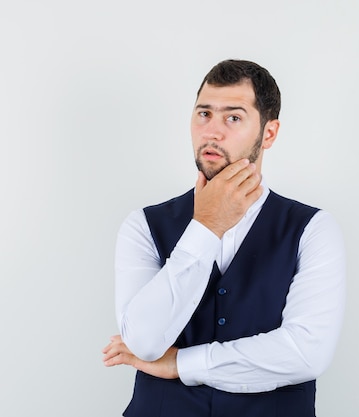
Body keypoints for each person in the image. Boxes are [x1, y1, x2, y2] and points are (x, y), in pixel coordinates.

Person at [102, 59, 346, 417]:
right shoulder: (143, 225)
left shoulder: (313, 228)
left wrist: (181, 364)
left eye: (233, 117)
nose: (212, 132)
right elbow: (144, 343)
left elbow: (305, 353)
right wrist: (206, 227)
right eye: (204, 114)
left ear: (269, 133)